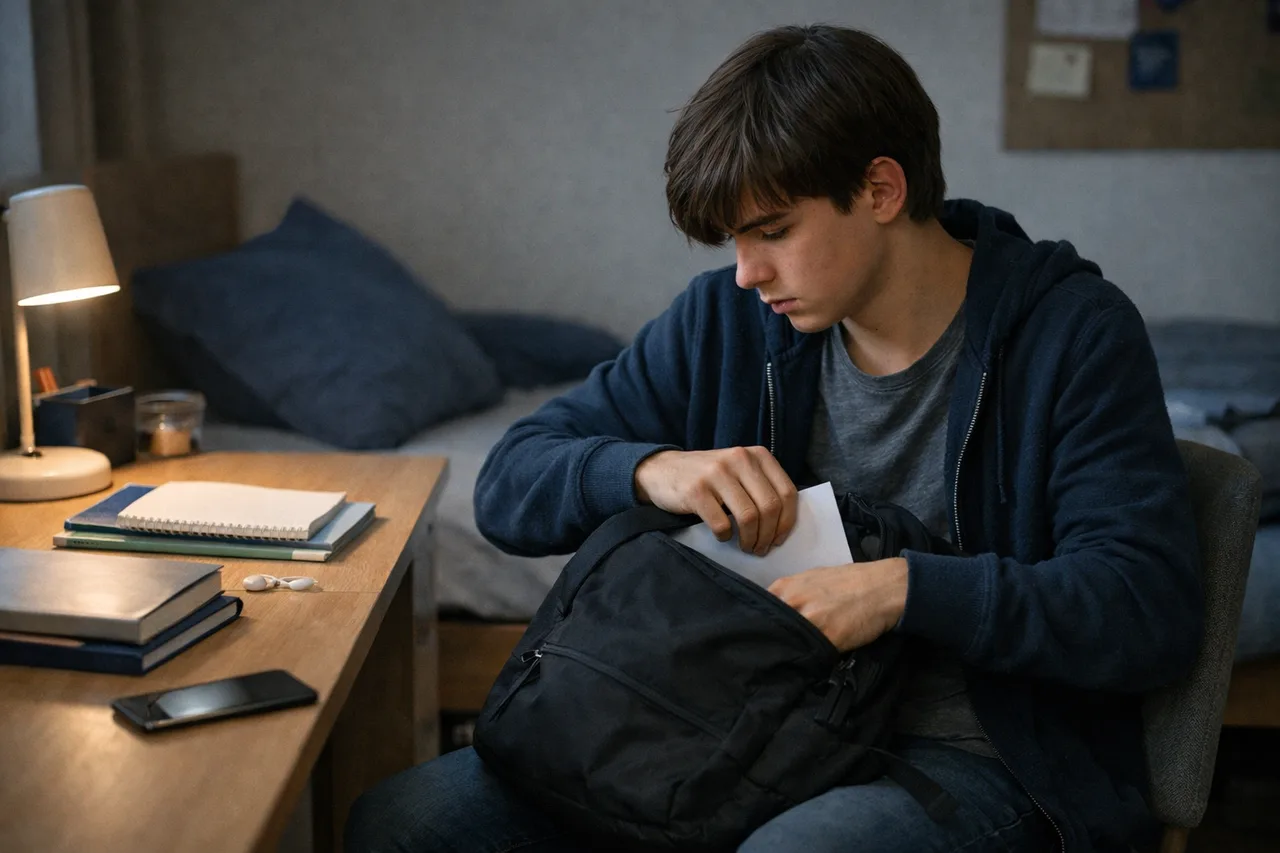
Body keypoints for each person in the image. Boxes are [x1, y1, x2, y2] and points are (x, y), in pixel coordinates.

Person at [345, 24, 1202, 853]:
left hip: (979, 757)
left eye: (773, 231)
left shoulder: (1072, 335)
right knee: (406, 819)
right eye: (734, 241)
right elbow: (506, 485)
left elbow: (1143, 605)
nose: (748, 273)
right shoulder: (725, 320)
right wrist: (649, 469)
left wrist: (900, 590)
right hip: (727, 727)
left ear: (880, 191)